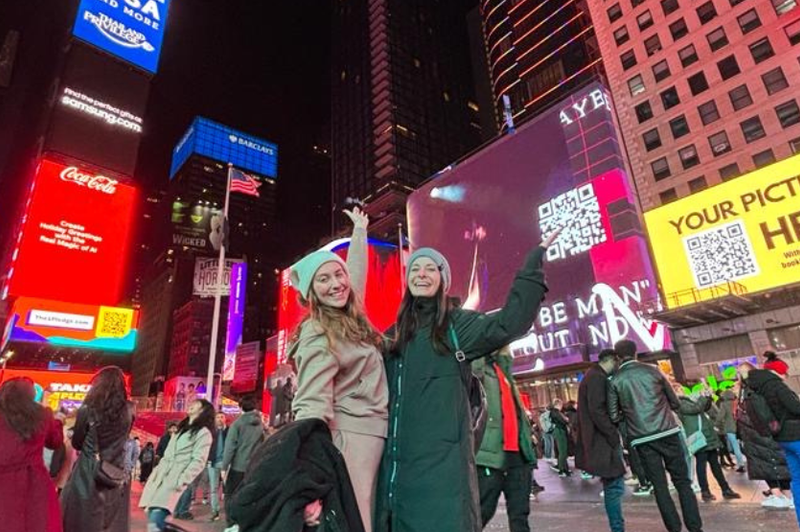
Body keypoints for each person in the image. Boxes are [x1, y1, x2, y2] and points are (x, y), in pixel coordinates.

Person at [374, 228, 557, 532]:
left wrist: (532, 267)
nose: (421, 274)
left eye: (430, 268)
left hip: (445, 478)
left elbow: (510, 322)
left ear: (442, 279)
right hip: (397, 479)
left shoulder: (457, 326)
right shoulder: (393, 335)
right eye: (415, 269)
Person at [288, 207, 386, 531]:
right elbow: (310, 404)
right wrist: (308, 481)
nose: (336, 284)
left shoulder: (349, 317)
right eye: (324, 279)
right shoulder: (317, 331)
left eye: (338, 275)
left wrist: (359, 231)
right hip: (349, 440)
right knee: (359, 523)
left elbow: (355, 275)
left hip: (371, 437)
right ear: (312, 293)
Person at [608, 339, 703, 532]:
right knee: (683, 482)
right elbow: (675, 403)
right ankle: (695, 527)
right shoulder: (653, 370)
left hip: (641, 438)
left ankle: (674, 528)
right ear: (636, 353)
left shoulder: (615, 380)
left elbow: (613, 415)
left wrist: (630, 417)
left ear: (617, 357)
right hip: (668, 431)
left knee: (660, 487)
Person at [61, 367, 133, 532]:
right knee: (109, 521)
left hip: (87, 473)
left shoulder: (88, 409)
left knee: (79, 519)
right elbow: (123, 438)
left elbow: (77, 443)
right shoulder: (130, 410)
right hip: (115, 472)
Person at [473, 346, 537, 532]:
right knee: (480, 514)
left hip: (518, 456)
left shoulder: (504, 372)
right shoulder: (478, 368)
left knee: (520, 517)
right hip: (489, 456)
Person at [0, 377, 65, 532]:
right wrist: (58, 422)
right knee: (36, 521)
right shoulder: (42, 415)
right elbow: (55, 442)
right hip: (34, 480)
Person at [139, 399, 215, 531]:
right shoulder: (182, 428)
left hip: (175, 476)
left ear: (203, 411)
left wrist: (182, 480)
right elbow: (169, 451)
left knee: (156, 517)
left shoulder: (203, 433)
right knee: (153, 515)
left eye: (196, 404)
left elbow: (199, 461)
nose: (191, 404)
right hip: (162, 474)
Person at [741, 354, 800, 524]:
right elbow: (795, 408)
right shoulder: (776, 385)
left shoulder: (756, 386)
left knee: (797, 480)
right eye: (785, 372)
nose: (785, 376)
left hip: (782, 438)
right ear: (779, 371)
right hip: (797, 436)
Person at [575, 349, 626, 532]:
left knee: (614, 485)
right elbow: (597, 410)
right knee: (614, 487)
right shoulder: (597, 378)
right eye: (617, 362)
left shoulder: (591, 376)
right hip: (602, 441)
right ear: (612, 360)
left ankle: (617, 527)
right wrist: (612, 433)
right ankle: (617, 528)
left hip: (598, 440)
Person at [735, 364, 793, 509]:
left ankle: (779, 496)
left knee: (766, 463)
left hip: (758, 432)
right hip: (763, 432)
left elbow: (757, 411)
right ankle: (785, 496)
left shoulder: (749, 390)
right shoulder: (760, 386)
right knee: (777, 462)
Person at [674, 384, 741, 502]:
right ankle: (705, 491)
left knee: (715, 464)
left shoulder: (691, 400)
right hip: (698, 437)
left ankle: (725, 489)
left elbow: (706, 408)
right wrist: (703, 397)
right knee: (701, 465)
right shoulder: (679, 403)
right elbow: (695, 409)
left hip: (707, 435)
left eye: (680, 389)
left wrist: (708, 398)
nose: (681, 391)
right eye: (677, 389)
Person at [221, 395, 265, 529]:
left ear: (240, 408)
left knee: (230, 495)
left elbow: (230, 447)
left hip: (238, 468)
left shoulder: (237, 424)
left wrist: (224, 467)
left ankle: (233, 523)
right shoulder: (261, 424)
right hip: (255, 467)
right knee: (250, 496)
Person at [715, 389, 745, 472]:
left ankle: (741, 464)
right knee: (738, 445)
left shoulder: (724, 405)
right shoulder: (737, 403)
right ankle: (743, 461)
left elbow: (720, 416)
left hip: (729, 428)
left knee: (733, 447)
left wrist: (716, 425)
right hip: (740, 427)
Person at [207, 413, 227, 522]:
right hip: (213, 463)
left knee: (228, 488)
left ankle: (230, 511)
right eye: (218, 417)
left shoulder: (229, 431)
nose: (219, 419)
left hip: (225, 463)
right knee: (213, 489)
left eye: (222, 417)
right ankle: (215, 511)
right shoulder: (211, 432)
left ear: (225, 419)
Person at [549, 399, 572, 477]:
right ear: (558, 404)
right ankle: (561, 470)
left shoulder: (555, 412)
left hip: (559, 431)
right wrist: (566, 420)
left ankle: (565, 469)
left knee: (563, 451)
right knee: (562, 451)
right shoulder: (555, 412)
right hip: (560, 432)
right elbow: (564, 421)